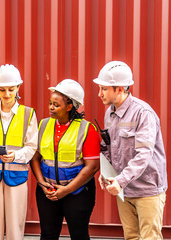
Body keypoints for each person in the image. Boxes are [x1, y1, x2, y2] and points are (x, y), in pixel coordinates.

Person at [93, 61, 167, 240]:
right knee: (131, 237)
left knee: (150, 237)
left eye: (104, 89)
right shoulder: (109, 113)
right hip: (125, 190)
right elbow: (109, 147)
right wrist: (106, 172)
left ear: (119, 89)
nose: (99, 93)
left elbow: (144, 154)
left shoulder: (143, 114)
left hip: (147, 190)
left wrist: (120, 180)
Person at [30, 79, 100, 240]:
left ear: (70, 106)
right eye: (50, 103)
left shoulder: (86, 129)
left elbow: (93, 167)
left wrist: (66, 190)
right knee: (47, 235)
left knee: (79, 235)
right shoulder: (43, 125)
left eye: (56, 104)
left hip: (78, 192)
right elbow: (35, 158)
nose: (51, 107)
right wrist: (42, 184)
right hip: (47, 191)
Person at [0, 64, 38, 240]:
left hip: (17, 177)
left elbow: (32, 146)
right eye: (2, 90)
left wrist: (15, 156)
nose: (7, 94)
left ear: (18, 87)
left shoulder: (28, 114)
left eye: (11, 89)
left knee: (15, 229)